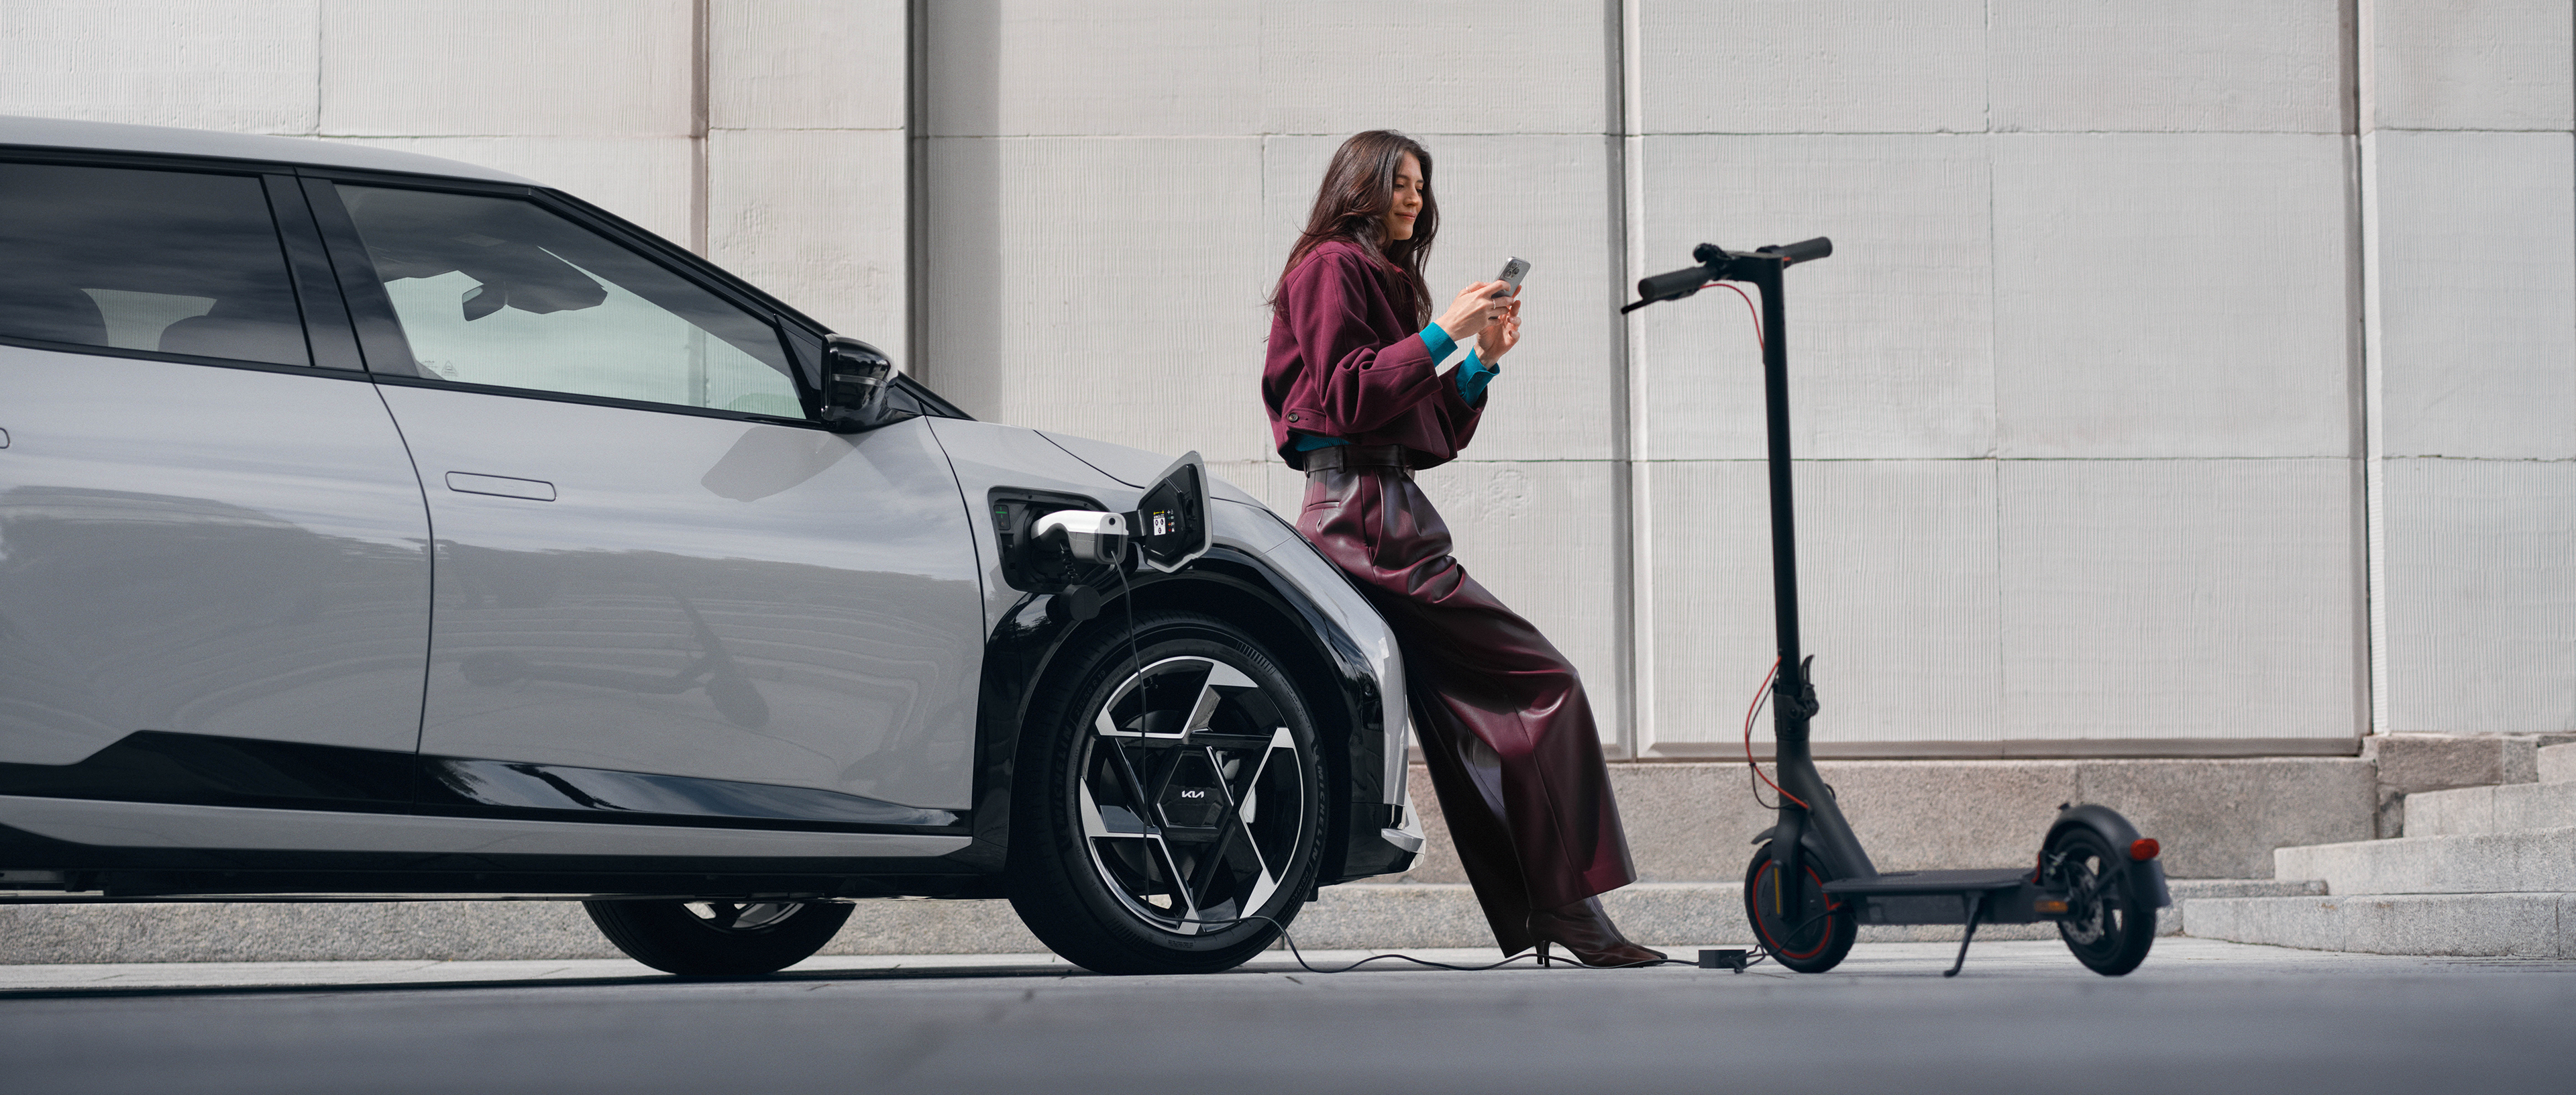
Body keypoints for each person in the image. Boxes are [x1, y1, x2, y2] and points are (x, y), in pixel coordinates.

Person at [1261, 130, 1662, 968]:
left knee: (1473, 718)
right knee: (1543, 683)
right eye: (1400, 183)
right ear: (1359, 188)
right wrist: (1444, 330)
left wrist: (1477, 360)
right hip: (1367, 518)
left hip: (1381, 509)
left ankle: (1556, 909)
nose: (1416, 198)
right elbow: (1347, 396)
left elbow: (1424, 429)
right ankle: (1566, 909)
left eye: (1421, 184)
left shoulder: (1378, 276)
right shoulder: (1330, 266)